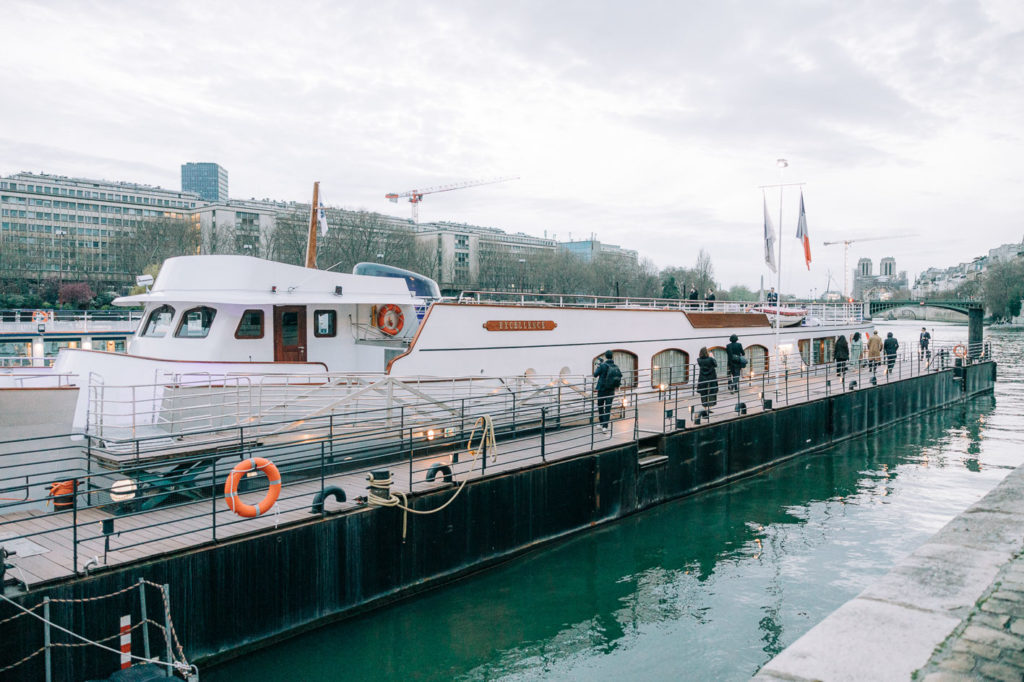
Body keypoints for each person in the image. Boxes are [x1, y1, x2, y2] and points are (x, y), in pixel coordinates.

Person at [592, 350, 620, 431]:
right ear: (612, 356)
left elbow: (595, 375)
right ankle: (605, 427)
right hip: (611, 390)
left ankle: (601, 424)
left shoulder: (602, 365)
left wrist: (598, 366)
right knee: (608, 408)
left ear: (605, 356)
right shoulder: (615, 366)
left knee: (601, 407)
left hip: (602, 389)